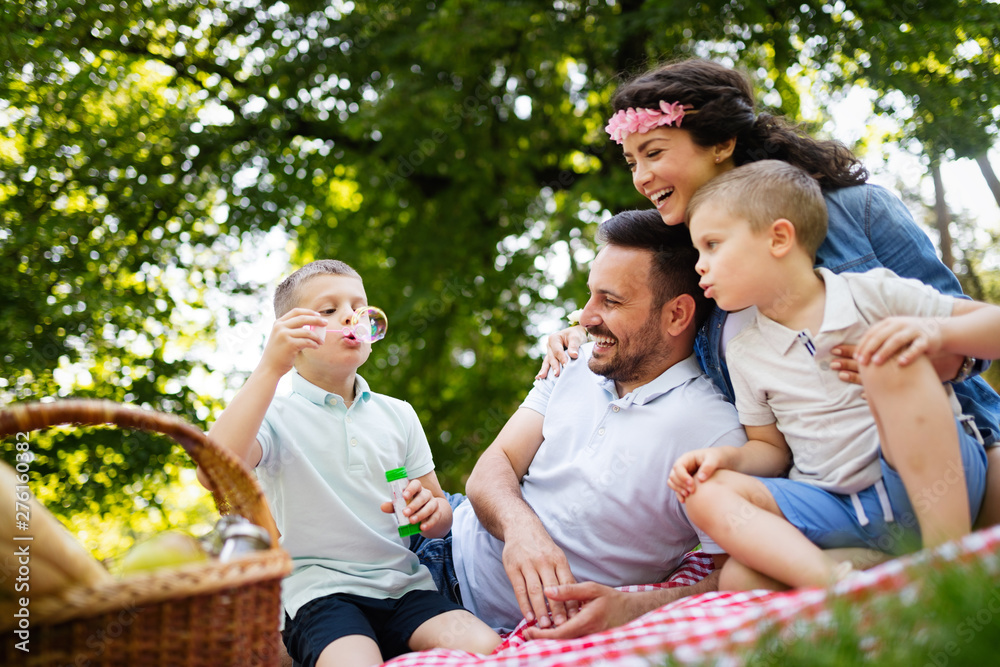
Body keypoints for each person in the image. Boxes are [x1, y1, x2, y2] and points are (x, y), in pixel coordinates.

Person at [540, 58, 1000, 533]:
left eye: (654, 153)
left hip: (952, 459)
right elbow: (652, 349)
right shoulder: (693, 275)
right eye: (632, 162)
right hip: (827, 497)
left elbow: (971, 339)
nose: (640, 178)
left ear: (722, 143)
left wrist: (908, 356)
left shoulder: (858, 211)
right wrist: (584, 335)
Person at [413, 209, 748, 638]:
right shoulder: (572, 363)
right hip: (440, 538)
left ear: (677, 315)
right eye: (590, 297)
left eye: (610, 301)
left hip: (479, 623)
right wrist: (521, 530)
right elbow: (494, 466)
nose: (586, 318)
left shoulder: (713, 434)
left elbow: (739, 573)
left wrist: (633, 607)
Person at [668, 160, 996, 588]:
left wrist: (934, 333)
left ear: (779, 238)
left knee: (887, 358)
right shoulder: (744, 351)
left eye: (712, 245)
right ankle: (840, 581)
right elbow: (770, 449)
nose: (700, 265)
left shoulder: (871, 294)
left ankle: (947, 564)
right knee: (728, 551)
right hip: (837, 510)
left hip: (932, 485)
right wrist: (726, 460)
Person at [196, 260, 500, 667]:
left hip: (405, 587)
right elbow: (211, 471)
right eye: (329, 310)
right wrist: (270, 366)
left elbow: (440, 517)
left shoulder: (398, 414)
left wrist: (431, 512)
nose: (350, 317)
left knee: (488, 650)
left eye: (359, 308)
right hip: (319, 593)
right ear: (292, 335)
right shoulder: (272, 415)